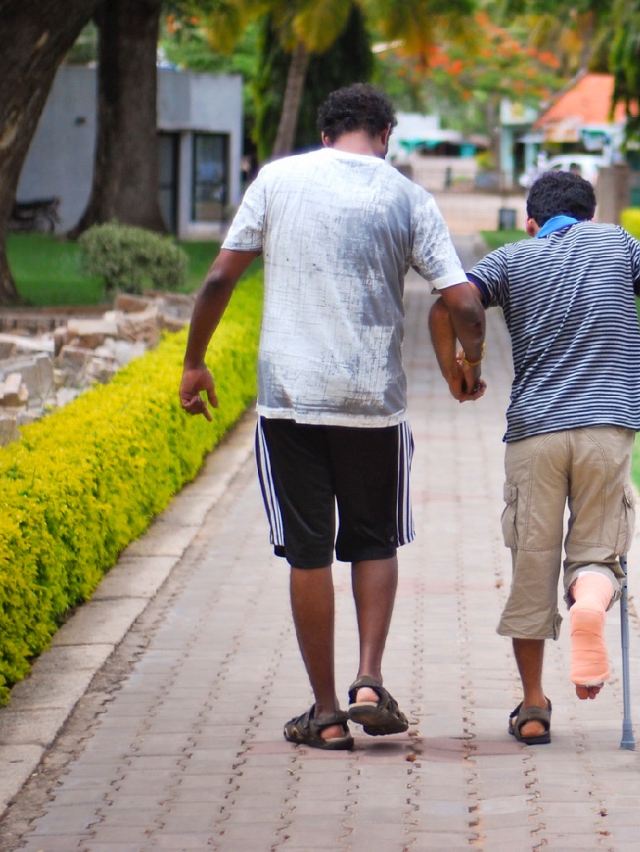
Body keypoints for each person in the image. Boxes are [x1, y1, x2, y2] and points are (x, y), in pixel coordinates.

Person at [179, 83, 486, 751]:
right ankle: (369, 683)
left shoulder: (277, 179)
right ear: (384, 137)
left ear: (325, 135)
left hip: (289, 398)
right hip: (373, 402)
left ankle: (324, 715)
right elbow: (463, 301)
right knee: (374, 539)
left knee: (308, 551)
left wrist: (193, 361)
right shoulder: (406, 195)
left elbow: (218, 280)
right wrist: (471, 360)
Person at [428, 170, 640, 745]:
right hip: (606, 429)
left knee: (532, 564)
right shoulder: (617, 242)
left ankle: (535, 706)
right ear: (589, 215)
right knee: (596, 550)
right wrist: (634, 380)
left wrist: (460, 371)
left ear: (531, 222)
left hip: (535, 432)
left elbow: (451, 306)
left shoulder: (511, 258)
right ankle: (590, 598)